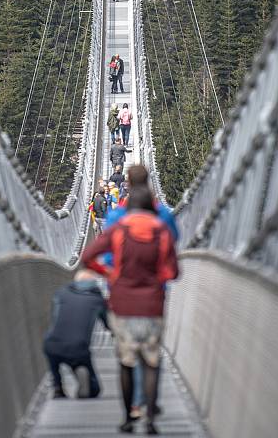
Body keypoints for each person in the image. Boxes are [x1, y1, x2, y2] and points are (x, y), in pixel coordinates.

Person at [82, 186, 179, 434]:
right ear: (151, 207)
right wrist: (157, 278)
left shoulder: (118, 229)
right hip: (152, 305)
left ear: (128, 207)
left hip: (123, 304)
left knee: (126, 362)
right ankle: (150, 420)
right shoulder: (162, 231)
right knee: (151, 361)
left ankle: (127, 419)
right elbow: (173, 271)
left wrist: (110, 274)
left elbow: (88, 257)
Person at [43, 269, 108, 399]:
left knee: (53, 351)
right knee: (95, 390)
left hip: (52, 344)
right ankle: (80, 369)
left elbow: (55, 316)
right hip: (79, 347)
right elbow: (107, 322)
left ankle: (57, 387)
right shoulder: (97, 299)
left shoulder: (61, 293)